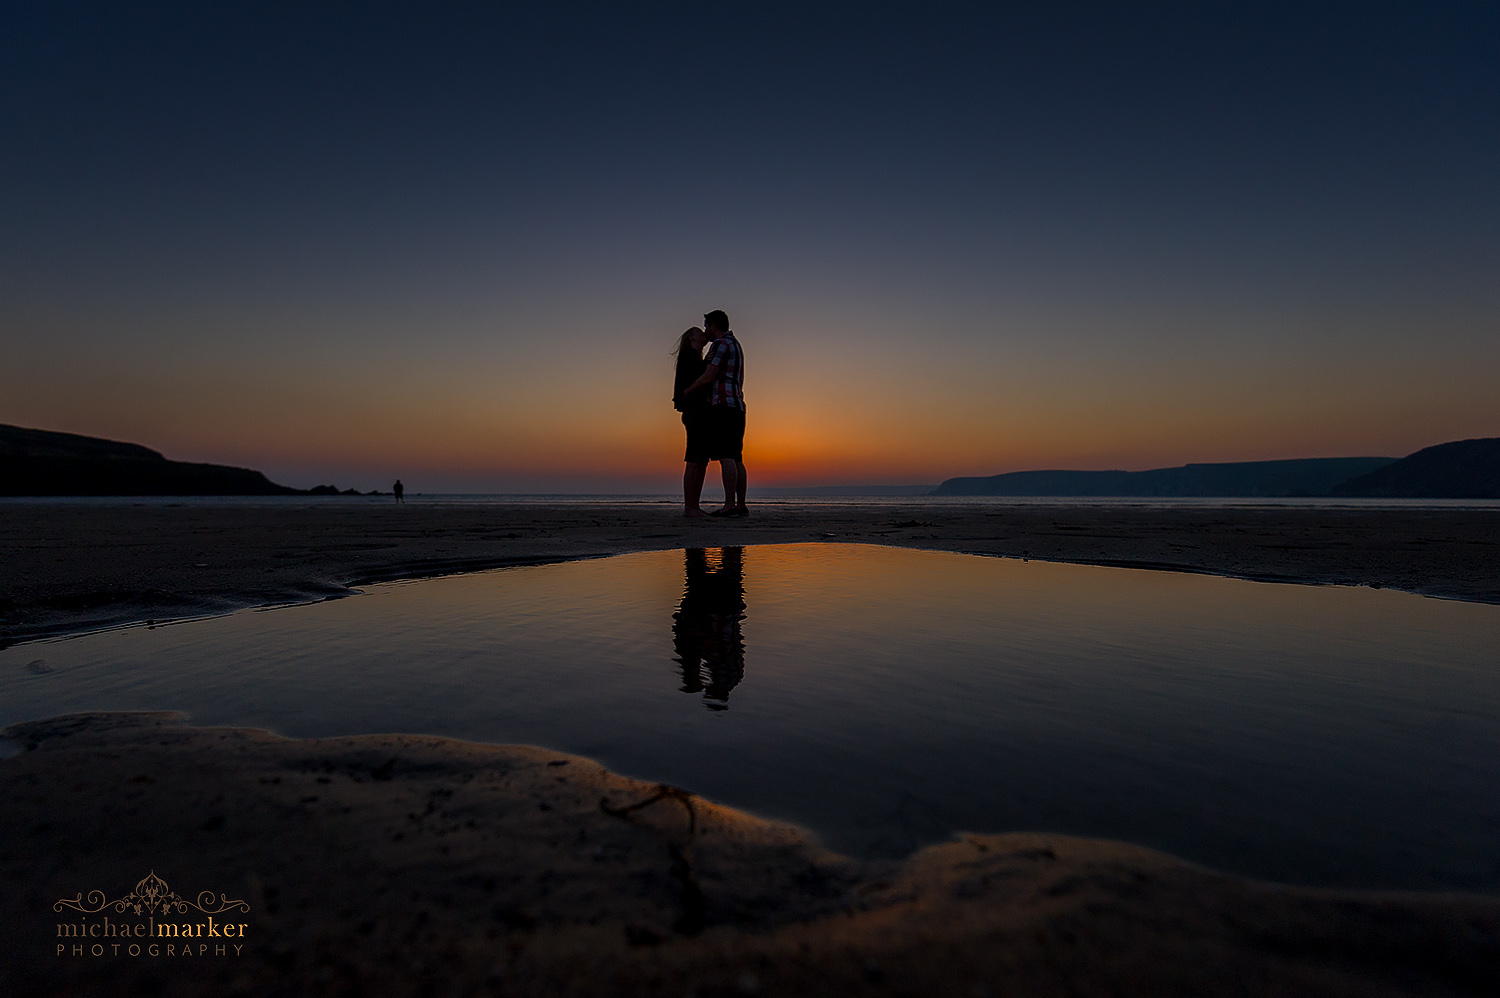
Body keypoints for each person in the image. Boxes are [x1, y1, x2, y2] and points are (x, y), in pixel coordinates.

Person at [681, 309, 747, 516]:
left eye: (706, 326)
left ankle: (729, 505)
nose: (705, 331)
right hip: (738, 405)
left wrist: (687, 391)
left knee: (725, 455)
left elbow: (709, 376)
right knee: (737, 457)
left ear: (714, 326)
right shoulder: (736, 344)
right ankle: (740, 505)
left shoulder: (720, 344)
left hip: (723, 405)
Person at [672, 327, 712, 516]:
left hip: (700, 411)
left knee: (701, 459)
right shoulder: (689, 356)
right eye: (698, 331)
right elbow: (698, 379)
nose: (703, 332)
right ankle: (690, 507)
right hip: (694, 411)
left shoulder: (695, 358)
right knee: (695, 458)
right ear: (691, 338)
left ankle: (694, 505)